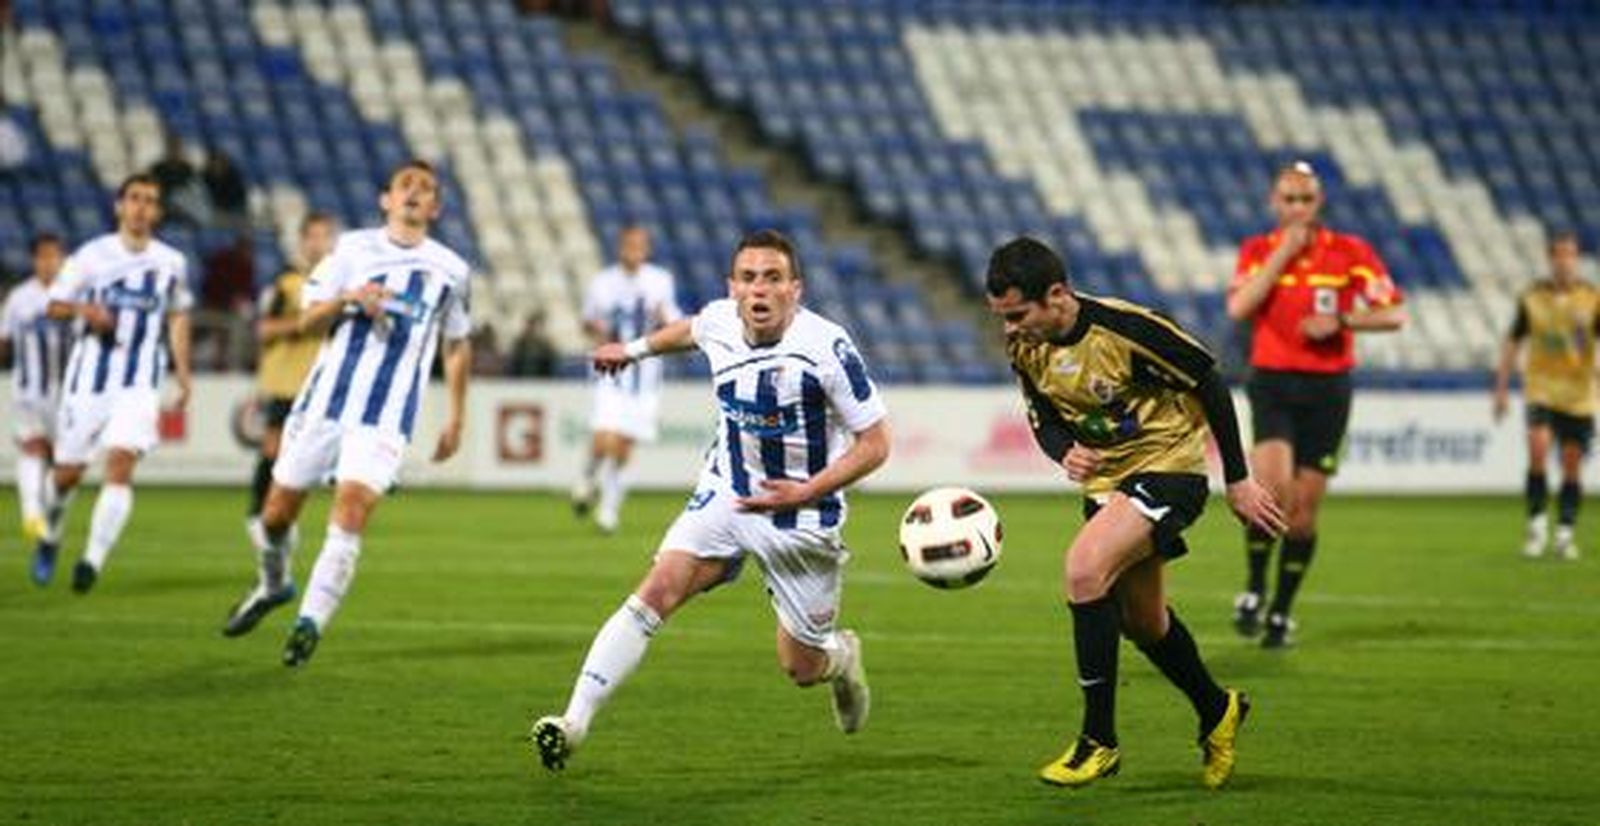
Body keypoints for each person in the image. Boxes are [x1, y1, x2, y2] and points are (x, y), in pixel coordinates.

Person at [530, 229, 890, 771]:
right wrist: (630, 352)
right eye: (748, 278)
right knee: (657, 589)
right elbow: (689, 331)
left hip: (802, 514)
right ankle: (573, 721)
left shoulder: (827, 348)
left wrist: (807, 489)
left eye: (773, 278)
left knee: (800, 666)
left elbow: (876, 444)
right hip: (725, 492)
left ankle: (840, 658)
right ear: (733, 286)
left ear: (797, 289)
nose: (759, 289)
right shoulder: (721, 319)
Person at [986, 237, 1284, 790]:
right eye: (1001, 317)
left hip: (1170, 469)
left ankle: (1098, 741)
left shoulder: (1129, 330)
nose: (1009, 328)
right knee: (1143, 622)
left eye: (1017, 314)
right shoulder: (1023, 345)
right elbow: (1043, 415)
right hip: (1108, 484)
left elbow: (1210, 384)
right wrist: (1062, 450)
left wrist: (1238, 480)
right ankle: (1217, 708)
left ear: (1056, 294)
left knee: (1082, 570)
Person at [218, 160, 472, 668]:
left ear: (436, 207)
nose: (415, 194)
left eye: (425, 189)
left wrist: (456, 417)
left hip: (386, 416)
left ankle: (308, 625)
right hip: (324, 405)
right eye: (406, 185)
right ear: (386, 199)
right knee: (274, 518)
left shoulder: (453, 270)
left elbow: (458, 344)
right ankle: (274, 584)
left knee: (351, 509)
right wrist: (351, 298)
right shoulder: (352, 249)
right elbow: (306, 318)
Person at [1225, 161, 1406, 648]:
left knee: (1303, 514)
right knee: (1273, 489)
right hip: (1273, 382)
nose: (1297, 208)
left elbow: (1394, 312)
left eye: (1305, 199)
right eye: (1288, 199)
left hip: (1328, 389)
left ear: (1318, 202)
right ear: (1274, 203)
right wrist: (1283, 253)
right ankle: (1255, 586)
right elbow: (1240, 308)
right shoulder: (1258, 250)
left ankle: (1281, 612)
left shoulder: (1350, 252)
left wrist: (1345, 320)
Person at [41, 173, 194, 592]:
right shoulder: (92, 257)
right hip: (89, 381)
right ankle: (51, 534)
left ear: (158, 212)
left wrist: (182, 371)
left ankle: (92, 560)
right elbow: (52, 305)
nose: (142, 207)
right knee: (66, 475)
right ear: (119, 206)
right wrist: (84, 311)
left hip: (140, 382)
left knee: (121, 464)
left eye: (150, 201)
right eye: (134, 199)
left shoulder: (171, 262)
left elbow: (178, 314)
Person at [1493, 231, 1597, 560]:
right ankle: (1536, 526)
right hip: (1541, 389)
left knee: (1571, 465)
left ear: (1576, 259)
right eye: (1559, 254)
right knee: (1537, 450)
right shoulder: (1532, 298)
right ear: (1550, 259)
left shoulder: (1592, 298)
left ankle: (1565, 532)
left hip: (1579, 395)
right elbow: (1513, 342)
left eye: (1570, 254)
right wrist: (1501, 388)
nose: (1564, 260)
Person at [570, 225, 681, 533]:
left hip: (644, 377)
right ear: (620, 247)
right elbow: (587, 320)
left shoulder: (660, 281)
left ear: (646, 248)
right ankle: (588, 477)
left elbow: (672, 321)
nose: (634, 250)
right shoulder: (603, 283)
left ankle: (608, 509)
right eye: (629, 244)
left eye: (639, 244)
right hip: (609, 372)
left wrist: (663, 319)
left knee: (623, 445)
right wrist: (597, 330)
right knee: (603, 437)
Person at [243, 212, 335, 555]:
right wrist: (303, 323)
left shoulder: (338, 287)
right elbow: (263, 329)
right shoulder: (285, 284)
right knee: (273, 452)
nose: (318, 243)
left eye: (325, 236)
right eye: (312, 236)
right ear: (302, 241)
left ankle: (280, 519)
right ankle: (257, 517)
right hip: (284, 382)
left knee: (301, 461)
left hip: (320, 388)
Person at [1, 233, 70, 575]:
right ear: (33, 260)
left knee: (63, 472)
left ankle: (49, 539)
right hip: (29, 392)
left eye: (54, 256)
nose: (48, 262)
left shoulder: (75, 293)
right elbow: (3, 341)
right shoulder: (19, 299)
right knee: (32, 449)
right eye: (42, 256)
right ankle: (31, 512)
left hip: (69, 398)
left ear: (63, 259)